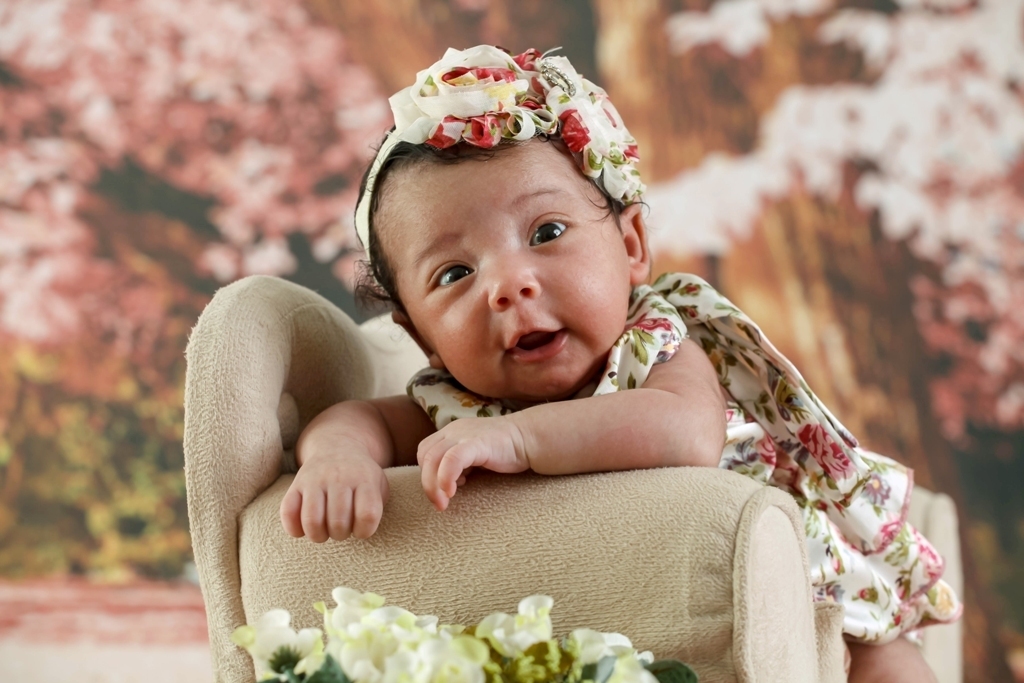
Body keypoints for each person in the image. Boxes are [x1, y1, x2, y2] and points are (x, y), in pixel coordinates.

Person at [280, 45, 960, 682]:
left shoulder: (653, 346)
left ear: (632, 245)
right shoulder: (453, 406)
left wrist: (519, 439)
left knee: (885, 661)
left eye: (546, 232)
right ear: (420, 334)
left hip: (791, 580)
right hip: (640, 623)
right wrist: (336, 459)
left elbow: (684, 432)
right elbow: (363, 419)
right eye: (454, 273)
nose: (509, 285)